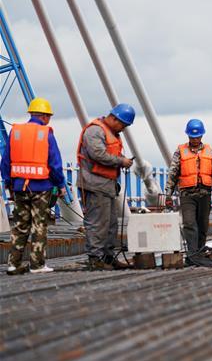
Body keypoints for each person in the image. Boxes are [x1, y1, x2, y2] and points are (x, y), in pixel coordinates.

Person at [1, 98, 66, 274]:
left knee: (21, 225)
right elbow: (55, 164)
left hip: (19, 187)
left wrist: (9, 184)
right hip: (41, 188)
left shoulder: (16, 132)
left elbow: (5, 163)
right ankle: (37, 265)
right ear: (44, 116)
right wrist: (61, 185)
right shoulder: (46, 134)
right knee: (39, 225)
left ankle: (13, 263)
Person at [76, 103, 135, 270]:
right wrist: (121, 161)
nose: (123, 129)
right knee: (97, 223)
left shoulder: (111, 133)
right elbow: (98, 154)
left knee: (111, 224)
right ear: (115, 118)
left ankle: (108, 257)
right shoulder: (95, 131)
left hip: (107, 185)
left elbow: (110, 153)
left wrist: (122, 159)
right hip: (94, 184)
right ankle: (95, 258)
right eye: (123, 124)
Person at [163, 119, 212, 258]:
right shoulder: (180, 151)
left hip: (205, 193)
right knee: (189, 223)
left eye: (197, 137)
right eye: (192, 137)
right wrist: (168, 194)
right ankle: (192, 254)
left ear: (202, 136)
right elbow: (173, 173)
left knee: (202, 225)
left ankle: (199, 250)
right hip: (187, 194)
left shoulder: (209, 151)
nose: (195, 139)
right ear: (188, 136)